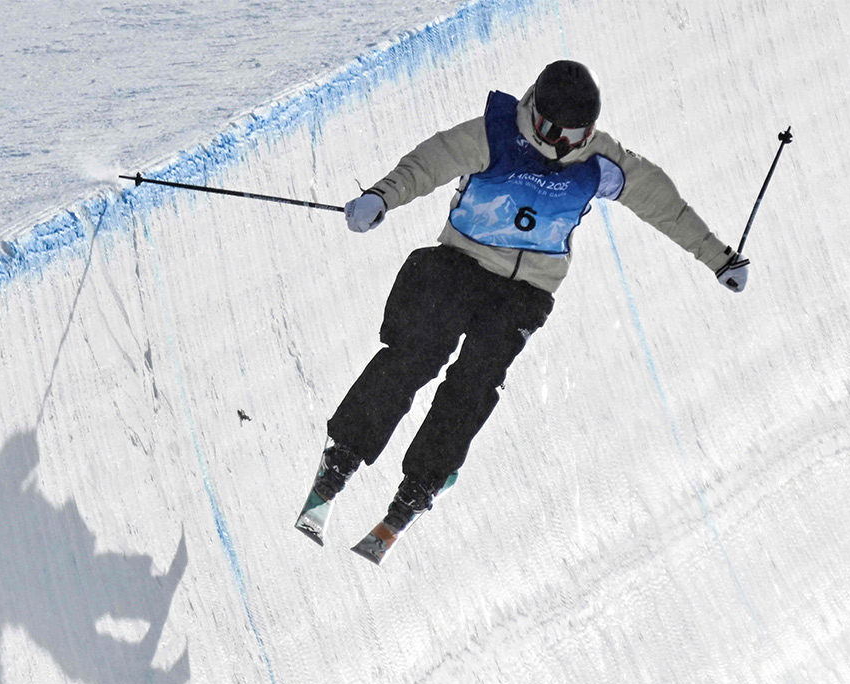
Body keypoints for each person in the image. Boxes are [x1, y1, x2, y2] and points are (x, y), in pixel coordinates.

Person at [314, 60, 749, 533]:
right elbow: (429, 163)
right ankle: (345, 454)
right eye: (550, 128)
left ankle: (423, 482)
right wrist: (381, 197)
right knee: (416, 352)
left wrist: (720, 257)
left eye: (575, 133)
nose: (560, 142)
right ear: (533, 110)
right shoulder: (496, 134)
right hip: (461, 264)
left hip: (526, 290)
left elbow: (665, 206)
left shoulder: (601, 162)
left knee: (475, 381)